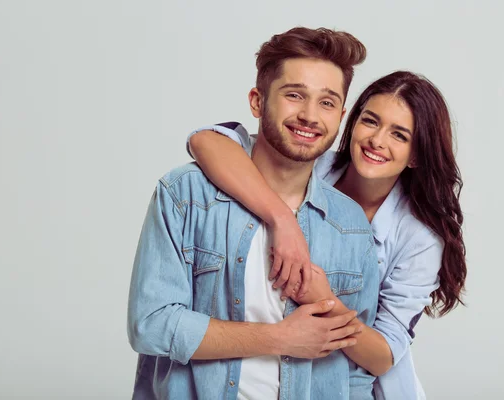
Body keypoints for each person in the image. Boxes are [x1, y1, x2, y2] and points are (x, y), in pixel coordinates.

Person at [127, 27, 382, 399]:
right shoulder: (186, 196)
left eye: (327, 103)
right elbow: (150, 325)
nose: (310, 116)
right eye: (294, 95)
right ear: (257, 101)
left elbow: (356, 370)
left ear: (341, 115)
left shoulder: (350, 225)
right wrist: (280, 339)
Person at [187, 71, 468, 399]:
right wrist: (282, 220)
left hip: (359, 386)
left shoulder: (418, 238)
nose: (377, 140)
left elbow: (383, 356)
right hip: (265, 369)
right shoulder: (310, 165)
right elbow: (206, 141)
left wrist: (324, 300)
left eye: (399, 135)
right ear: (351, 120)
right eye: (371, 121)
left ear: (417, 154)